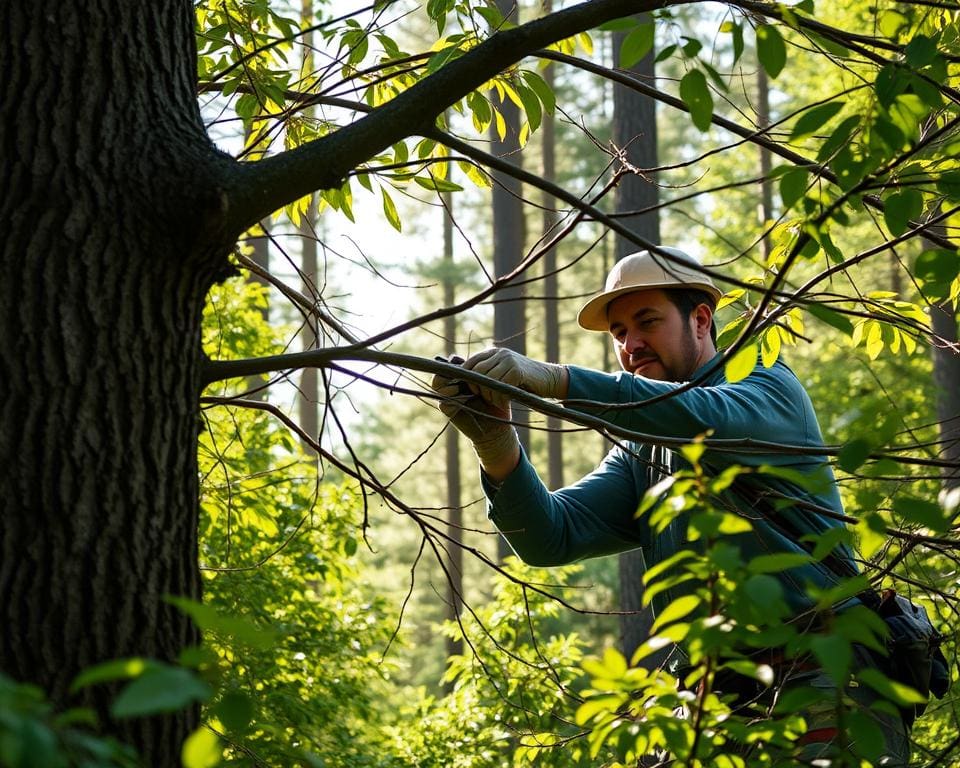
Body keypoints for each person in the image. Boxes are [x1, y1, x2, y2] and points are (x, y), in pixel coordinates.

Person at [430, 247, 910, 765]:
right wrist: (497, 447)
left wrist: (554, 379)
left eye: (647, 322)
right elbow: (552, 535)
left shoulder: (767, 384)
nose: (631, 344)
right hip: (713, 709)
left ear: (700, 320)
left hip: (819, 686)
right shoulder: (644, 448)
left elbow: (698, 419)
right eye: (618, 334)